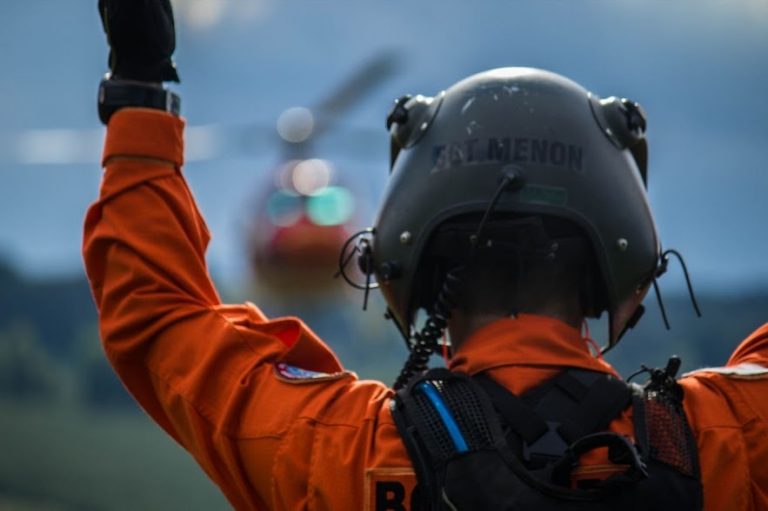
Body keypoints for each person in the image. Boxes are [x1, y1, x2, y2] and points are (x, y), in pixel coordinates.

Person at [85, 1, 768, 509]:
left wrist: (142, 85)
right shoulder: (723, 441)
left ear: (407, 257)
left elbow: (159, 317)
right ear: (621, 260)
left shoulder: (343, 451)